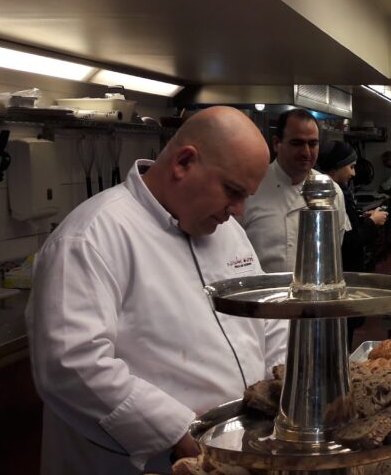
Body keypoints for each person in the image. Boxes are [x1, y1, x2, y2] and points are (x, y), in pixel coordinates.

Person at [26, 107, 288, 475]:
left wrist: (283, 392)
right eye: (232, 191)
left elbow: (263, 314)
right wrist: (178, 431)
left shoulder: (227, 231)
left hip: (237, 449)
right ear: (184, 162)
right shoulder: (91, 236)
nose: (241, 211)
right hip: (142, 462)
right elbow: (71, 365)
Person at [240, 108, 336, 273]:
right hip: (261, 294)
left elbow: (334, 248)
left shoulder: (330, 190)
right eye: (296, 143)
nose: (306, 152)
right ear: (277, 143)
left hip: (314, 295)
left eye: (313, 143)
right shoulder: (249, 187)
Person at [317, 140, 388, 272]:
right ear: (338, 166)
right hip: (345, 269)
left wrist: (361, 218)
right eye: (351, 167)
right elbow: (347, 241)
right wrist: (372, 222)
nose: (354, 173)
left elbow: (346, 226)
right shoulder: (331, 194)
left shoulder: (341, 190)